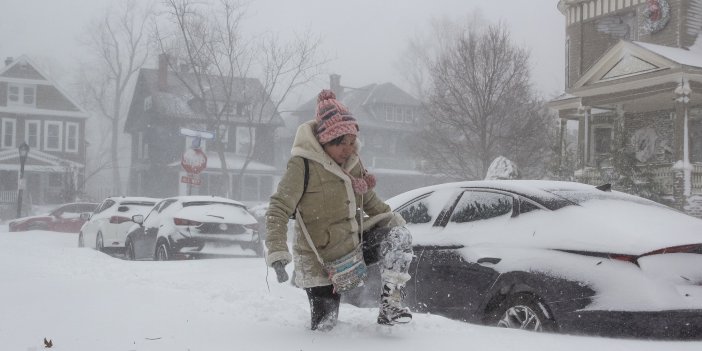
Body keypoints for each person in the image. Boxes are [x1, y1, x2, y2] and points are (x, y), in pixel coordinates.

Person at [265, 90, 414, 331]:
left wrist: (399, 226)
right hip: (319, 259)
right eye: (340, 143)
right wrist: (278, 252)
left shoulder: (353, 165)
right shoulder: (302, 164)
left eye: (351, 142)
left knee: (398, 235)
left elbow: (372, 203)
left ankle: (391, 306)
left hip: (353, 247)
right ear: (325, 140)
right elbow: (278, 208)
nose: (348, 149)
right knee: (326, 327)